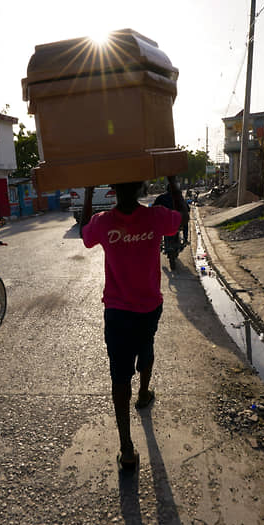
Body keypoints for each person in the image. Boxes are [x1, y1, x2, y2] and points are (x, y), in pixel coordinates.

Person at [80, 177, 187, 471]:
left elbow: (84, 235)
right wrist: (173, 183)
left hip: (116, 311)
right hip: (149, 306)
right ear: (141, 189)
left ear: (113, 190)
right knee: (147, 347)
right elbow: (181, 218)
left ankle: (126, 448)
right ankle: (143, 393)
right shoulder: (156, 217)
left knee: (119, 375)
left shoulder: (102, 222)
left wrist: (89, 193)